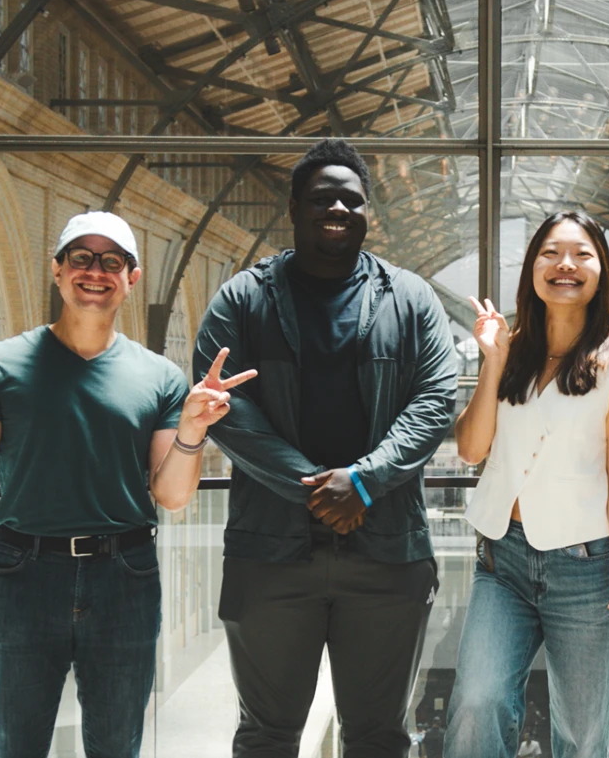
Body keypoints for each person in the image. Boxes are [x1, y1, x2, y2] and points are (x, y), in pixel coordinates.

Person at [0, 211, 254, 758]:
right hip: (22, 574)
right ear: (57, 271)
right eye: (80, 258)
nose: (94, 272)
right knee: (15, 745)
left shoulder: (160, 377)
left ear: (132, 278)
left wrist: (193, 428)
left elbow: (171, 496)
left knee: (115, 747)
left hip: (123, 575)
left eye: (111, 261)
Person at [193, 138, 458, 757]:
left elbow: (435, 401)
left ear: (369, 212)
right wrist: (316, 487)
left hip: (387, 553)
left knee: (378, 738)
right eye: (321, 197)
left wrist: (363, 481)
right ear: (294, 207)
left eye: (351, 198)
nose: (337, 207)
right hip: (271, 555)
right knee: (266, 737)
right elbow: (221, 407)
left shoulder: (411, 299)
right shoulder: (243, 298)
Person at [445, 211, 609, 758]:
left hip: (586, 571)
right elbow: (471, 448)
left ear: (600, 271)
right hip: (503, 561)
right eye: (550, 253)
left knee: (584, 733)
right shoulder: (510, 352)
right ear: (533, 269)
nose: (565, 265)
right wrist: (492, 361)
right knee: (476, 703)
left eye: (581, 254)